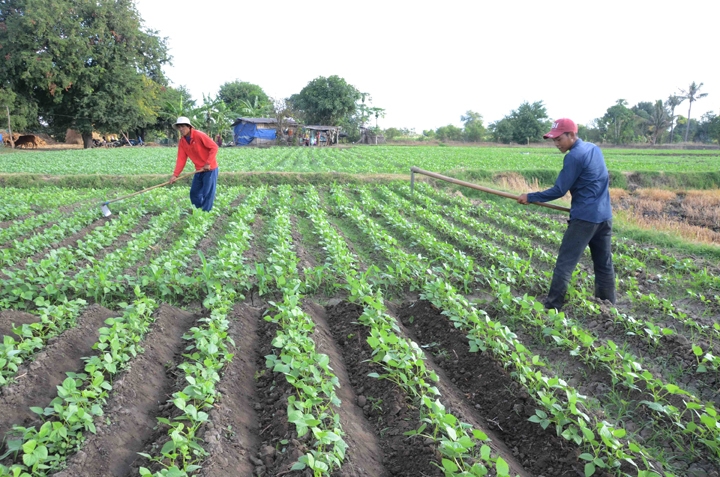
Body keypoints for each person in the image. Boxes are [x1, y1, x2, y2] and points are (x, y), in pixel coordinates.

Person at [517, 118, 615, 310]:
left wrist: (530, 196)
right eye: (553, 140)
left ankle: (552, 307)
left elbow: (559, 190)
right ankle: (608, 307)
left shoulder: (573, 156)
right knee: (603, 263)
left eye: (559, 139)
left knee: (565, 263)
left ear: (571, 134)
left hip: (585, 218)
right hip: (604, 215)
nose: (556, 144)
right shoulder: (594, 149)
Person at [170, 116, 219, 212]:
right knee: (194, 193)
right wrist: (175, 175)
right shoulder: (182, 142)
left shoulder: (199, 135)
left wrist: (208, 163)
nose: (181, 129)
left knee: (207, 193)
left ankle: (205, 213)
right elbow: (181, 159)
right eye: (179, 127)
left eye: (183, 126)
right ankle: (198, 211)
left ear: (189, 127)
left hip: (210, 169)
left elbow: (214, 147)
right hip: (199, 169)